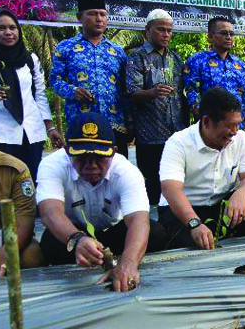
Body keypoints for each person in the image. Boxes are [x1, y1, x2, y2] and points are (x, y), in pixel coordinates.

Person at [37, 112, 166, 292]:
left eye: (99, 156)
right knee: (50, 242)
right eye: (82, 157)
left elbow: (139, 219)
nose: (91, 165)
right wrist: (77, 239)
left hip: (113, 233)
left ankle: (119, 261)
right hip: (74, 234)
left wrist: (128, 263)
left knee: (155, 233)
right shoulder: (52, 165)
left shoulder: (126, 171)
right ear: (67, 152)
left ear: (113, 152)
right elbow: (49, 212)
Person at [159, 88, 245, 250]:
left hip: (222, 206)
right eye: (230, 126)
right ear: (206, 122)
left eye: (237, 125)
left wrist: (241, 192)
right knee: (186, 242)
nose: (235, 132)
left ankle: (239, 248)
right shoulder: (178, 143)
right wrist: (194, 224)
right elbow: (171, 190)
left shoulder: (241, 138)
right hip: (184, 211)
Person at [0, 9, 63, 183]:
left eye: (13, 27)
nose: (8, 32)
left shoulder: (29, 58)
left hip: (31, 132)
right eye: (1, 28)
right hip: (0, 134)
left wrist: (50, 128)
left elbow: (40, 95)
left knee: (31, 182)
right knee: (4, 185)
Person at [50, 0, 131, 158]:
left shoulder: (118, 51)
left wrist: (130, 122)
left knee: (115, 175)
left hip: (114, 126)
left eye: (102, 14)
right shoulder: (65, 47)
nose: (99, 19)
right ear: (80, 17)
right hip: (80, 124)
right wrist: (72, 91)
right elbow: (54, 80)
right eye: (93, 14)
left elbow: (125, 89)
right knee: (81, 175)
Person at [126, 9, 187, 205]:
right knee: (153, 187)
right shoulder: (137, 57)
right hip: (150, 134)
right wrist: (152, 93)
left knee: (177, 183)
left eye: (169, 30)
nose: (166, 34)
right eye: (161, 30)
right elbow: (132, 93)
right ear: (148, 31)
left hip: (177, 133)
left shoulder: (176, 59)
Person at [183, 17, 245, 146]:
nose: (228, 37)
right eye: (223, 33)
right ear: (210, 37)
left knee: (236, 166)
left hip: (238, 129)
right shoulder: (197, 61)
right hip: (211, 128)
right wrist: (202, 117)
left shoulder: (240, 64)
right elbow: (191, 91)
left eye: (231, 34)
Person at [0, 118, 44, 278]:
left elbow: (24, 220)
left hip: (3, 244)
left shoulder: (13, 170)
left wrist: (4, 254)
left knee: (31, 255)